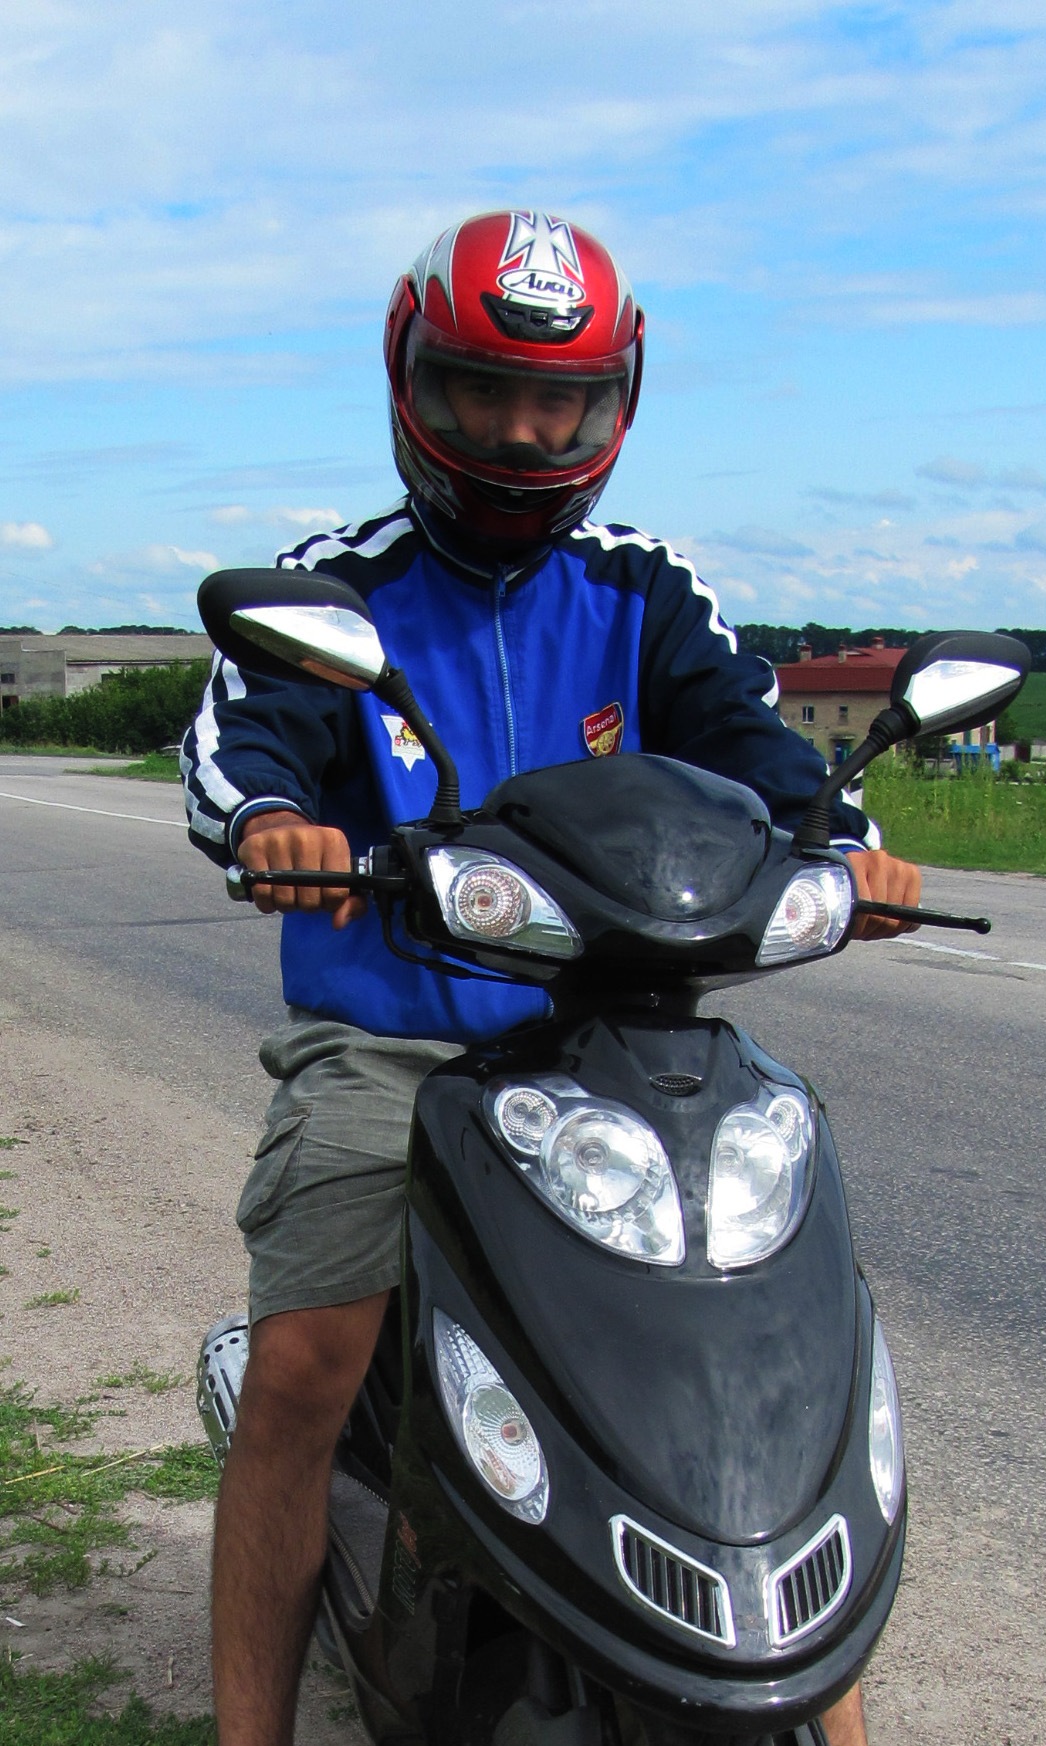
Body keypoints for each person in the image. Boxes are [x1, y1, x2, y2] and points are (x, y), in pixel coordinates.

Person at [182, 209, 920, 1746]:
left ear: (612, 404)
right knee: (307, 1363)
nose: (521, 434)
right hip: (395, 1040)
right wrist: (270, 823)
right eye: (482, 391)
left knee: (762, 1373)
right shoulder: (341, 590)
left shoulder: (642, 591)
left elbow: (763, 754)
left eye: (558, 403)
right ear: (412, 382)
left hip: (617, 1039)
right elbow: (239, 744)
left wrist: (851, 848)